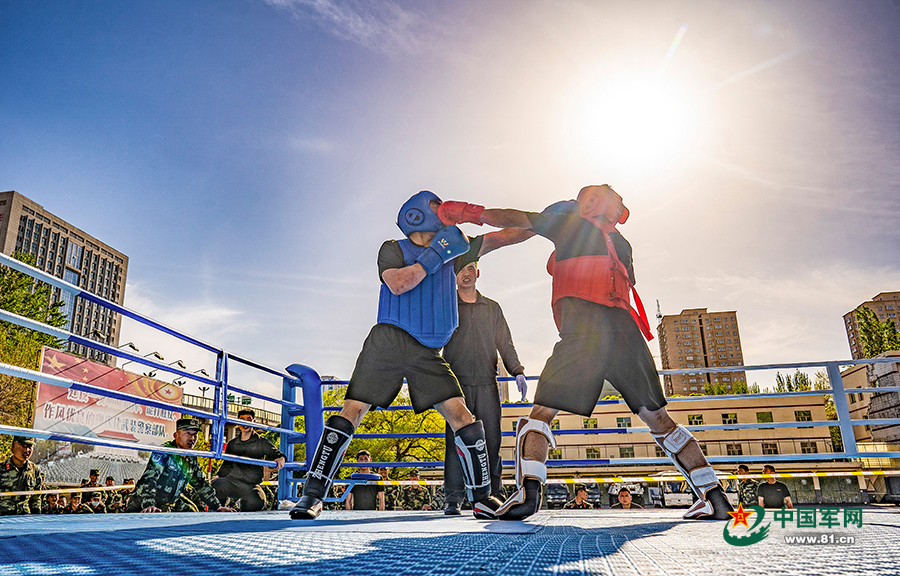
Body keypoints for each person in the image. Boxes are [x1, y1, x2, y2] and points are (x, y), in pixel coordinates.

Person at [438, 185, 734, 521]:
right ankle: (714, 496)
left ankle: (527, 496)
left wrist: (467, 213)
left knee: (540, 414)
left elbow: (518, 220)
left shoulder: (570, 221)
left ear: (589, 203)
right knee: (660, 420)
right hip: (626, 333)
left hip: (585, 329)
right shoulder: (621, 243)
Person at [289, 191, 527, 521]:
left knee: (463, 417)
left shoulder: (456, 246)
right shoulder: (393, 249)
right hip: (387, 340)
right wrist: (437, 253)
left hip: (425, 350)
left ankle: (483, 498)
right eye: (436, 206)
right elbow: (399, 284)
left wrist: (545, 223)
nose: (444, 211)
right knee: (353, 410)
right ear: (416, 214)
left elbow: (504, 237)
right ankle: (312, 495)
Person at [441, 259, 526, 516]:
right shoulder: (446, 306)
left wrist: (517, 371)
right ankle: (453, 498)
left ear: (478, 273)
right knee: (456, 442)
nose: (466, 275)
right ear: (454, 276)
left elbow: (505, 342)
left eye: (470, 269)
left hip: (488, 383)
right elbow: (430, 340)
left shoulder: (492, 308)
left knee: (491, 440)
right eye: (461, 270)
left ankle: (492, 493)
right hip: (455, 385)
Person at [126, 417, 235, 513]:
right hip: (143, 504)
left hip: (168, 503)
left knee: (192, 513)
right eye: (187, 434)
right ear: (176, 435)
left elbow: (201, 484)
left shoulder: (191, 458)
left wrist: (218, 507)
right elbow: (149, 480)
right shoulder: (164, 452)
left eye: (195, 435)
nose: (192, 439)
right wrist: (149, 505)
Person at [212, 408, 286, 511]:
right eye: (242, 419)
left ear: (253, 422)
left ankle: (242, 518)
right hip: (232, 482)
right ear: (237, 422)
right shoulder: (232, 444)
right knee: (216, 485)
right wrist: (218, 475)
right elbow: (227, 464)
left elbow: (276, 453)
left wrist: (281, 458)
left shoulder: (261, 442)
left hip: (250, 485)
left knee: (257, 502)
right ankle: (222, 512)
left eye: (248, 419)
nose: (245, 422)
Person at [0, 436, 43, 515]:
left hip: (24, 518)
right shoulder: (1, 468)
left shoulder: (34, 470)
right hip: (3, 519)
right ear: (12, 448)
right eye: (22, 446)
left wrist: (36, 517)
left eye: (30, 447)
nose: (26, 450)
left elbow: (36, 498)